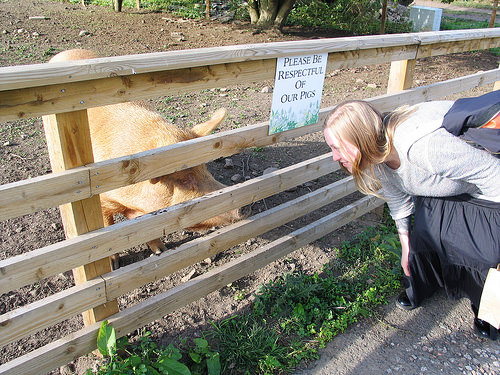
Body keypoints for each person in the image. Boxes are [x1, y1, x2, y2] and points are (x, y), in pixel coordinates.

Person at [323, 98, 500, 340]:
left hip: (487, 189)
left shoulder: (423, 149)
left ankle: (487, 310)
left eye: (336, 147)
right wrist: (406, 246)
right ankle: (426, 286)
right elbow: (397, 197)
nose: (334, 157)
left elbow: (493, 173)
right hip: (443, 186)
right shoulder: (377, 154)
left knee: (481, 251)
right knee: (422, 239)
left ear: (360, 139)